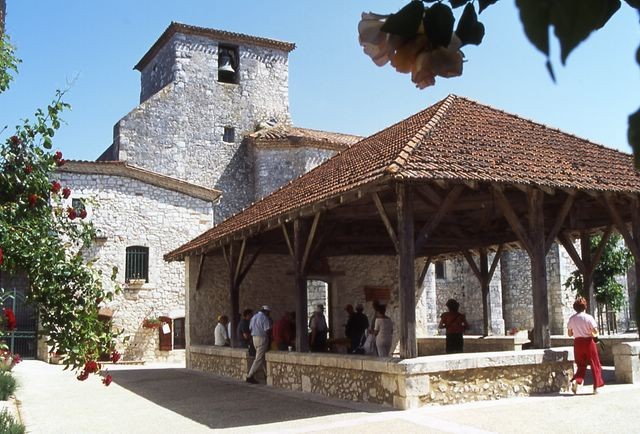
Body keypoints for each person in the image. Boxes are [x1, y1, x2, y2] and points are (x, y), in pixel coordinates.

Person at [568, 297, 604, 394]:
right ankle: (596, 387)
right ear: (585, 306)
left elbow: (570, 334)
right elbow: (595, 331)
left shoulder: (572, 319)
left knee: (581, 365)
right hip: (588, 342)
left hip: (578, 343)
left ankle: (577, 382)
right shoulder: (588, 317)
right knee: (595, 364)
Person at [246, 306, 272, 384]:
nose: (269, 314)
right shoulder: (264, 318)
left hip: (254, 338)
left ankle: (266, 374)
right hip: (262, 338)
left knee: (262, 357)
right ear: (266, 311)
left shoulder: (254, 317)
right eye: (268, 312)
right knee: (258, 358)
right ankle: (249, 376)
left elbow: (250, 328)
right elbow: (267, 330)